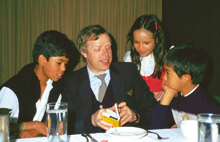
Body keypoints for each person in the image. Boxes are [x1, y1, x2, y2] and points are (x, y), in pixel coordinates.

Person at [61, 25, 157, 134]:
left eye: (108, 47)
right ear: (84, 52)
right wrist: (91, 121)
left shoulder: (128, 72)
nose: (106, 54)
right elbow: (63, 126)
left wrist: (135, 116)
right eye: (98, 49)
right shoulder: (71, 82)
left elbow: (154, 111)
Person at [0, 30, 75, 138]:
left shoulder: (57, 86)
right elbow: (2, 126)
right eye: (59, 63)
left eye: (65, 63)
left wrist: (34, 131)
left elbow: (56, 125)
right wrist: (35, 125)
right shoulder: (12, 89)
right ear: (42, 59)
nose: (64, 68)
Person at [149, 45, 220, 129]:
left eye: (168, 73)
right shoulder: (175, 99)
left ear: (186, 78)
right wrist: (166, 97)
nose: (164, 77)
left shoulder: (209, 107)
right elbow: (155, 128)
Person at [124, 14, 166, 101]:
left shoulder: (167, 59)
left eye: (146, 43)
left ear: (157, 39)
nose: (141, 47)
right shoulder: (129, 58)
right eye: (136, 42)